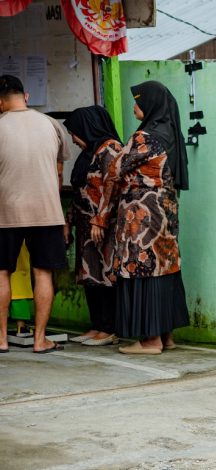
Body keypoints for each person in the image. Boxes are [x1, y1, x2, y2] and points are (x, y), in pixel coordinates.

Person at [90, 80, 189, 355]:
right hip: (166, 212)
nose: (134, 106)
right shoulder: (171, 133)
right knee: (164, 268)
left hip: (142, 214)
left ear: (150, 104)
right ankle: (166, 336)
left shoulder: (145, 137)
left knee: (142, 267)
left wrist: (101, 215)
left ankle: (150, 341)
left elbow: (114, 171)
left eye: (138, 101)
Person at [0, 74, 71, 354]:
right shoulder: (51, 124)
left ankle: (1, 339)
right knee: (43, 273)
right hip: (47, 211)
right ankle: (40, 340)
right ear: (26, 96)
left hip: (6, 212)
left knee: (2, 272)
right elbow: (58, 172)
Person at [64, 106, 122, 347]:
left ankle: (109, 328)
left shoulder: (110, 149)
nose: (73, 139)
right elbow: (79, 191)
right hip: (86, 226)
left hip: (104, 226)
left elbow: (113, 187)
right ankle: (97, 325)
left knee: (105, 275)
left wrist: (101, 219)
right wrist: (68, 221)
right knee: (90, 275)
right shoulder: (89, 153)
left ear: (87, 128)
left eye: (74, 133)